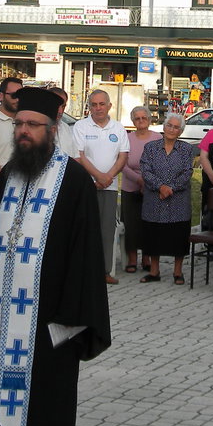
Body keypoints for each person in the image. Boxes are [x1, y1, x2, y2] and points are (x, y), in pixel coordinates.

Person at [0, 87, 111, 426]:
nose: (23, 131)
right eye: (19, 124)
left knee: (46, 414)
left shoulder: (74, 181)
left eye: (32, 124)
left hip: (49, 324)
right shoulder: (7, 176)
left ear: (53, 129)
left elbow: (85, 255)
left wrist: (68, 322)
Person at [71, 88, 130, 284]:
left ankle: (104, 272)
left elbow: (123, 156)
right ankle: (83, 271)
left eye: (102, 104)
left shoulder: (118, 128)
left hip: (109, 187)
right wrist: (98, 176)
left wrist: (108, 177)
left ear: (109, 106)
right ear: (89, 107)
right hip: (86, 186)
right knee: (84, 229)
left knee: (106, 230)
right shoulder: (80, 126)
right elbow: (79, 156)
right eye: (94, 105)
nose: (98, 108)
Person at [138, 112, 193, 285]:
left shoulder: (186, 149)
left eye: (176, 127)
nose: (171, 129)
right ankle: (154, 271)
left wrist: (171, 188)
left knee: (178, 235)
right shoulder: (150, 148)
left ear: (180, 131)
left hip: (178, 200)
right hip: (155, 199)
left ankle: (178, 272)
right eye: (169, 125)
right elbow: (145, 169)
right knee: (154, 234)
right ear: (164, 126)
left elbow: (187, 172)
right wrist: (160, 187)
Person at [120, 106, 157, 274]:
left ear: (149, 119)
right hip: (130, 187)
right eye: (137, 118)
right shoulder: (126, 138)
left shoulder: (157, 138)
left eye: (144, 117)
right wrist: (138, 179)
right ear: (133, 121)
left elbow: (161, 162)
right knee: (131, 225)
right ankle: (132, 259)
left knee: (149, 225)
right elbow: (122, 164)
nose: (141, 121)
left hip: (152, 188)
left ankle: (147, 258)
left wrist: (148, 181)